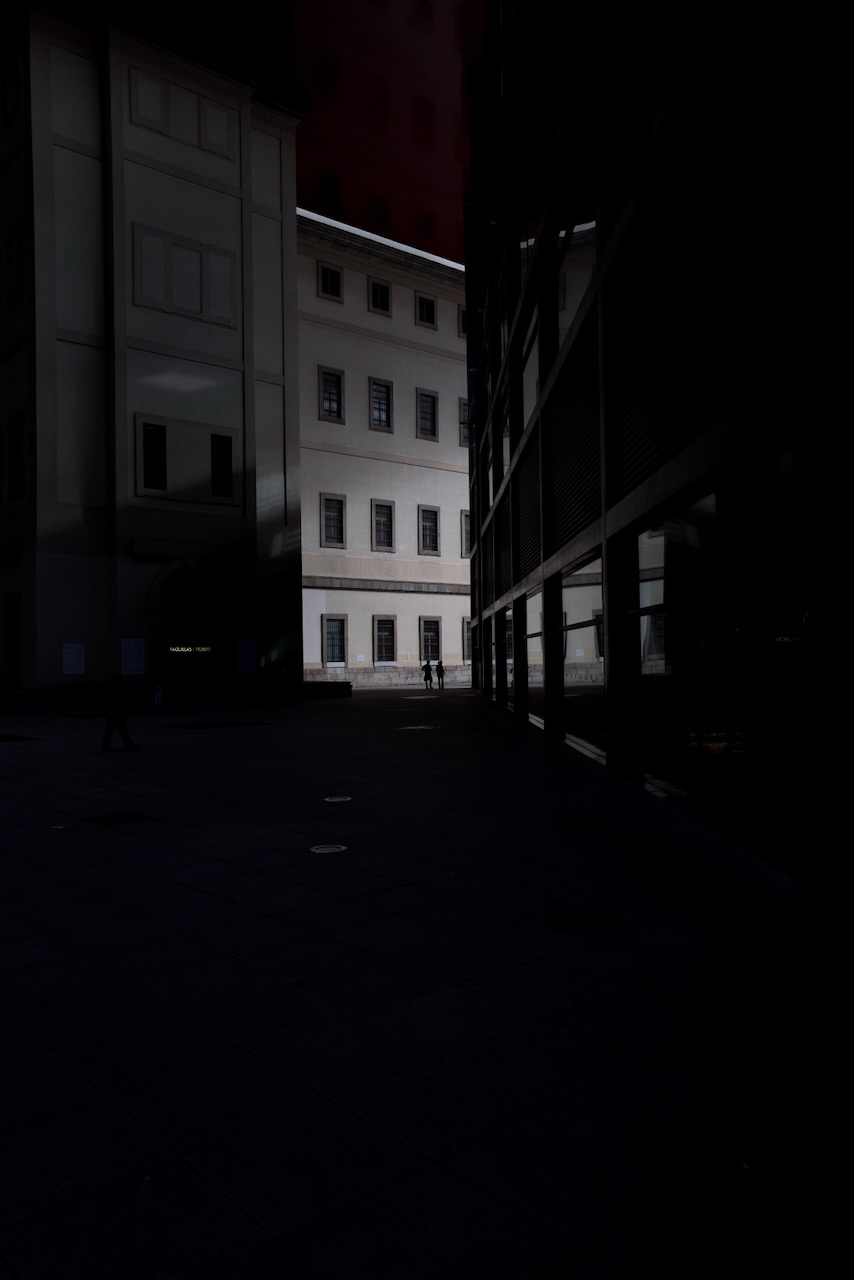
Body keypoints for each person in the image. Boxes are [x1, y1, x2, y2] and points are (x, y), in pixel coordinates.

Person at [101, 675, 138, 751]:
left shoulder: (110, 689)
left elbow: (107, 701)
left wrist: (108, 711)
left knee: (110, 730)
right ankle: (128, 744)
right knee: (123, 729)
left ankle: (106, 746)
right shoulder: (120, 688)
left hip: (113, 713)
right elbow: (123, 701)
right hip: (119, 712)